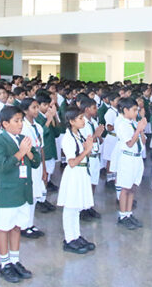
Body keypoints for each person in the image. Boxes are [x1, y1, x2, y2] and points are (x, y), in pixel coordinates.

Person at [0, 105, 41, 283]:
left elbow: (35, 161)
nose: (20, 124)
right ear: (4, 123)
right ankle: (4, 264)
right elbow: (1, 165)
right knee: (4, 227)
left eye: (21, 120)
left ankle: (15, 260)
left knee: (17, 226)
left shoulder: (23, 139)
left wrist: (29, 153)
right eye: (16, 121)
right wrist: (21, 153)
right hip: (8, 192)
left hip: (23, 190)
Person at [58, 105, 96, 253]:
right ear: (71, 121)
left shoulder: (78, 134)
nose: (83, 120)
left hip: (81, 173)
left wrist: (88, 148)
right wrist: (86, 150)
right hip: (74, 174)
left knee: (77, 207)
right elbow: (72, 162)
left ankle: (76, 235)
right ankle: (69, 239)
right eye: (80, 118)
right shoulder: (67, 138)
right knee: (70, 207)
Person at [115, 97, 147, 230]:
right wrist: (138, 129)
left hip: (137, 158)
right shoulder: (121, 123)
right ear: (125, 110)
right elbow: (129, 143)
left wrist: (141, 130)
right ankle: (122, 216)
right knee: (125, 188)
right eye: (134, 110)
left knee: (133, 186)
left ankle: (129, 213)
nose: (136, 113)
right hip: (128, 158)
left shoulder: (132, 122)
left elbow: (143, 141)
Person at [19, 98, 47, 238]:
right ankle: (24, 226)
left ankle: (30, 223)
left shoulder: (38, 127)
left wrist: (44, 168)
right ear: (25, 110)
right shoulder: (22, 127)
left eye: (37, 107)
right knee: (27, 195)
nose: (37, 110)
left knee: (35, 194)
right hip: (28, 163)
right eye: (33, 108)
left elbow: (41, 148)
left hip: (37, 163)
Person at [78, 98, 105, 220]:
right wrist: (96, 135)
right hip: (88, 157)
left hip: (95, 155)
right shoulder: (82, 123)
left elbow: (96, 138)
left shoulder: (93, 121)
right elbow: (85, 141)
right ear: (87, 109)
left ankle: (89, 206)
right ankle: (82, 209)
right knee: (86, 184)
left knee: (93, 183)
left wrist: (99, 137)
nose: (96, 110)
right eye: (94, 108)